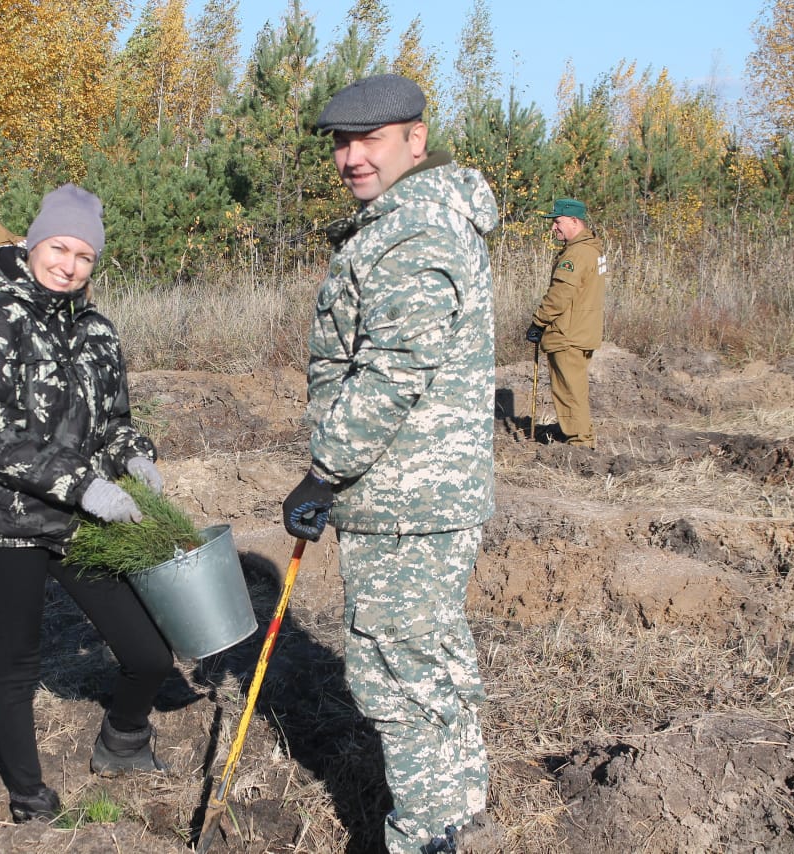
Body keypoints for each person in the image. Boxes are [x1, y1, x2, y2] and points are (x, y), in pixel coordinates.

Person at [281, 74, 498, 854]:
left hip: (406, 497)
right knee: (431, 661)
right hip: (421, 494)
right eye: (340, 142)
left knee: (397, 677)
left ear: (415, 137)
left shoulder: (414, 233)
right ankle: (462, 817)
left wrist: (323, 473)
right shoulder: (412, 221)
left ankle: (425, 836)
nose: (349, 157)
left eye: (367, 140)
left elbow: (391, 374)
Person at [0, 184, 173, 823]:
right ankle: (28, 798)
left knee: (149, 653)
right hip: (2, 514)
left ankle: (123, 741)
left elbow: (114, 419)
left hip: (77, 516)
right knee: (16, 663)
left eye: (84, 256)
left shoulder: (96, 329)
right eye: (59, 248)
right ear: (33, 242)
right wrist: (85, 486)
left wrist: (133, 457)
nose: (68, 265)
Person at [526, 198, 606, 448]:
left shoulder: (577, 253)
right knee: (575, 391)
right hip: (582, 331)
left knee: (569, 392)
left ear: (574, 221)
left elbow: (561, 294)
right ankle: (582, 437)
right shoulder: (592, 250)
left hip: (567, 334)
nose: (553, 228)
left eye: (557, 222)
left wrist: (538, 322)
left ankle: (580, 444)